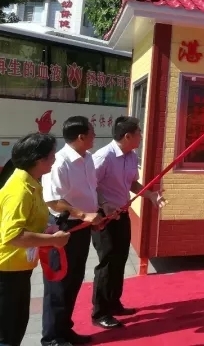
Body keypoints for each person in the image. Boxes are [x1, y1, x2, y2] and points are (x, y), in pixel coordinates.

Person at [91, 116, 166, 329]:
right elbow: (90, 185)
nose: (141, 137)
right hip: (104, 216)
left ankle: (114, 303)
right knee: (107, 262)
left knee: (120, 259)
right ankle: (100, 312)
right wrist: (104, 204)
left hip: (122, 214)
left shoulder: (131, 156)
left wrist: (150, 195)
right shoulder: (103, 157)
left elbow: (132, 183)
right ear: (127, 136)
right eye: (139, 133)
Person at [0, 134, 70, 346]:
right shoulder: (20, 190)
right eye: (52, 155)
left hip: (19, 267)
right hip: (6, 271)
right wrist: (52, 241)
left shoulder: (31, 183)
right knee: (7, 333)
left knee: (16, 327)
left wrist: (46, 230)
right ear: (39, 160)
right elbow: (13, 235)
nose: (55, 159)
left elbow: (27, 224)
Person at [42, 117, 103, 346]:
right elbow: (53, 201)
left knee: (75, 279)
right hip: (64, 227)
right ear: (81, 137)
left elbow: (91, 189)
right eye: (92, 132)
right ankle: (52, 338)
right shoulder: (60, 162)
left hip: (82, 227)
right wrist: (83, 214)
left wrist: (100, 209)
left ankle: (65, 330)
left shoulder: (88, 159)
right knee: (58, 284)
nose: (94, 136)